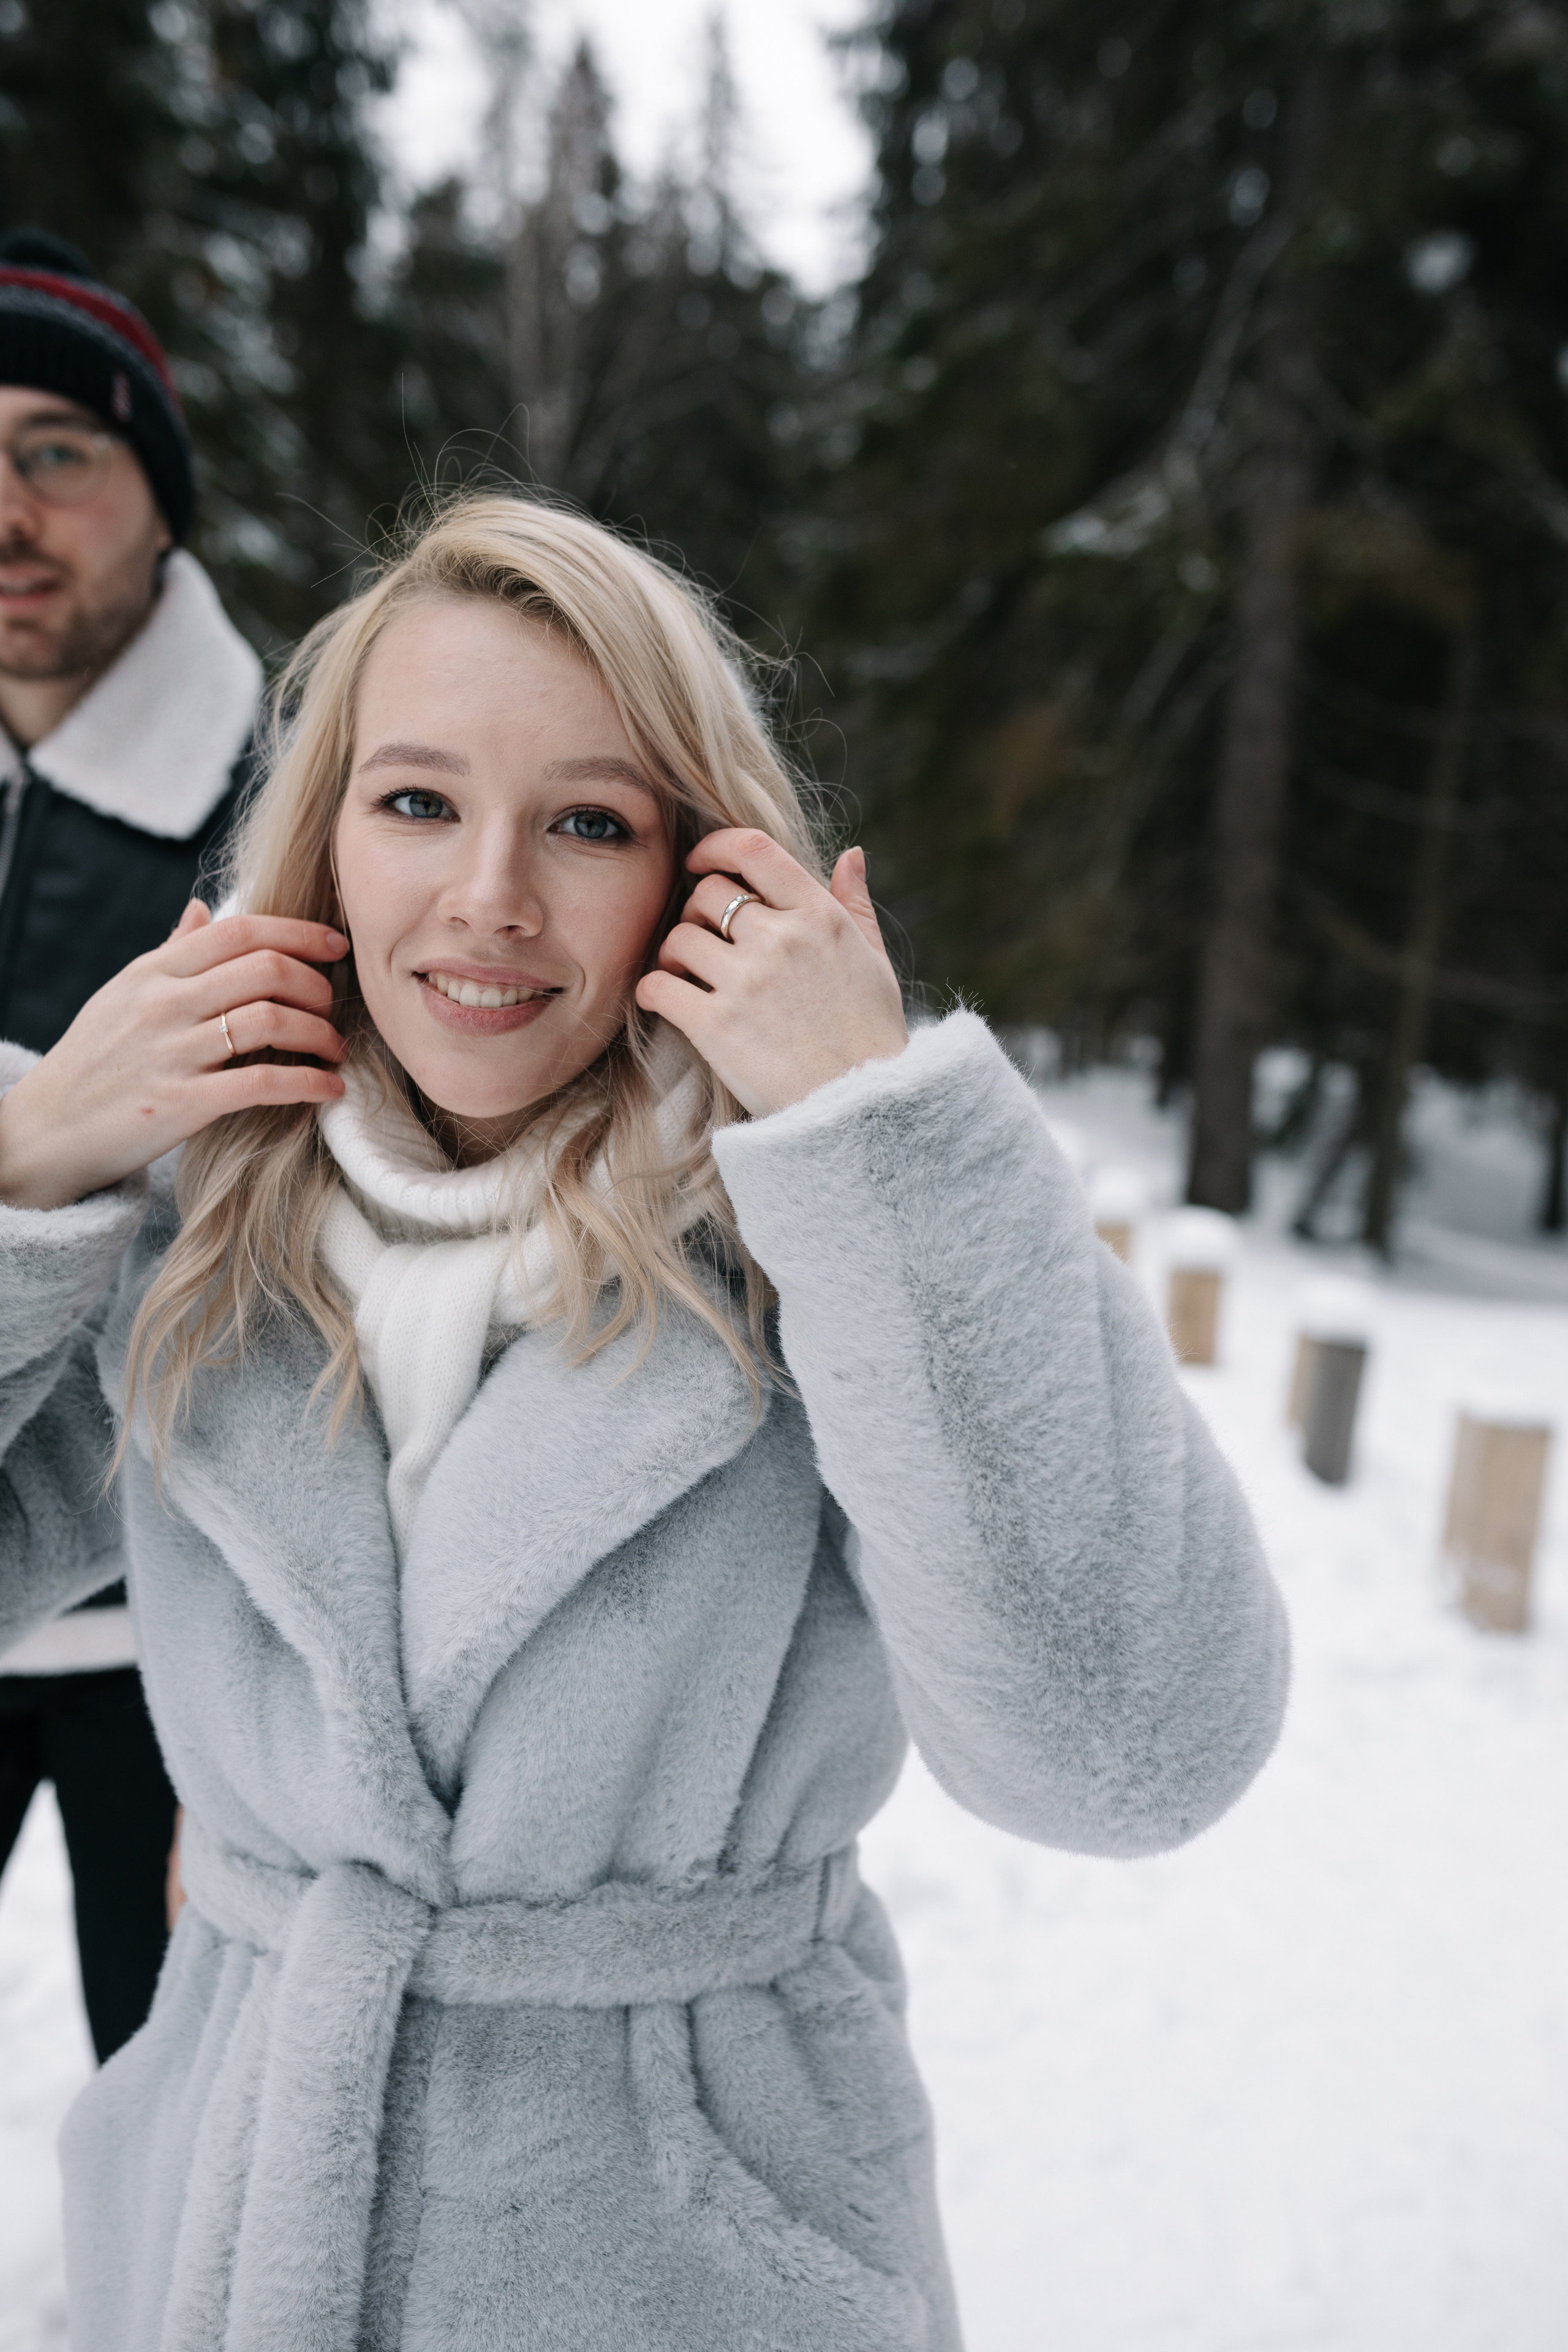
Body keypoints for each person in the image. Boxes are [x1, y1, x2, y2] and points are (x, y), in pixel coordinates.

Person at [0, 493, 1288, 2352]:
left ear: (701, 869)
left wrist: (883, 1143)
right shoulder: (201, 1217)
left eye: (587, 822)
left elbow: (1133, 1756)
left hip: (687, 2261)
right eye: (418, 801)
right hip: (217, 2218)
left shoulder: (825, 1247)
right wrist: (28, 1172)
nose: (489, 898)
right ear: (328, 841)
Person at [0, 227, 260, 2060]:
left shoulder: (300, 796)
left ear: (157, 499)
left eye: (55, 453)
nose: (4, 510)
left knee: (186, 2148)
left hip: (179, 1620)